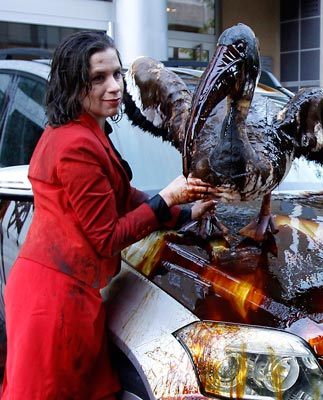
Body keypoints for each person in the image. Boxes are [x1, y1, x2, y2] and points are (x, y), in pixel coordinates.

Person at [1, 31, 220, 399]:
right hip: (55, 303)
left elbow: (121, 196)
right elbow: (107, 236)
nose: (114, 86)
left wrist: (184, 211)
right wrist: (167, 196)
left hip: (66, 292)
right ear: (74, 84)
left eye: (117, 74)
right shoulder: (75, 145)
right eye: (98, 78)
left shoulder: (86, 130)